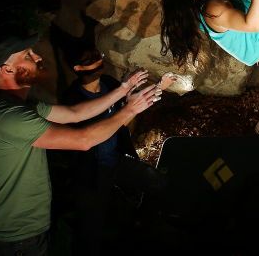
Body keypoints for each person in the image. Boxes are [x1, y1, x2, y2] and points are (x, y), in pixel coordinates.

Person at [0, 36, 161, 256]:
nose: (38, 57)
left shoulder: (23, 107)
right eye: (27, 55)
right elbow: (83, 140)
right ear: (7, 69)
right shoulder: (8, 117)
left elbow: (75, 113)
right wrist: (130, 110)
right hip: (12, 241)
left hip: (26, 234)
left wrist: (123, 89)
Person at [59, 48, 174, 255]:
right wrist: (130, 104)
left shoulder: (109, 84)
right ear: (77, 68)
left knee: (158, 182)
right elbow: (93, 135)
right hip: (90, 170)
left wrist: (157, 88)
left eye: (98, 56)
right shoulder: (72, 100)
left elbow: (127, 113)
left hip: (116, 159)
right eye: (90, 59)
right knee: (90, 229)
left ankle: (141, 229)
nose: (98, 61)